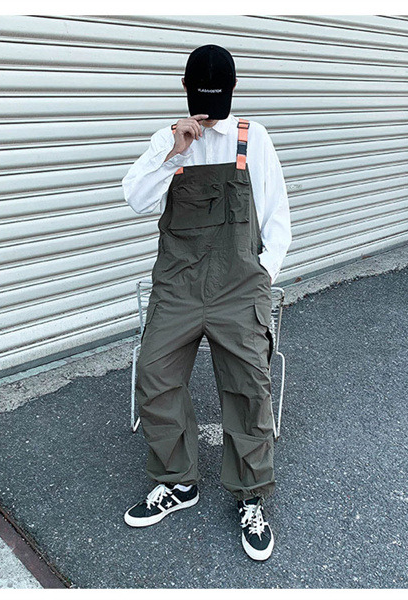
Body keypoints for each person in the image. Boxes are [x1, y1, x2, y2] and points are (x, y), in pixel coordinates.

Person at [121, 44, 292, 561]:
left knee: (248, 385)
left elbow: (277, 218)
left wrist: (261, 276)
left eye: (217, 101)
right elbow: (135, 198)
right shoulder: (168, 139)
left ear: (233, 92)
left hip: (238, 285)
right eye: (201, 100)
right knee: (155, 374)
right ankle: (178, 481)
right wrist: (174, 151)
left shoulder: (252, 138)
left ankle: (250, 495)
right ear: (185, 90)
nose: (209, 113)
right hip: (178, 284)